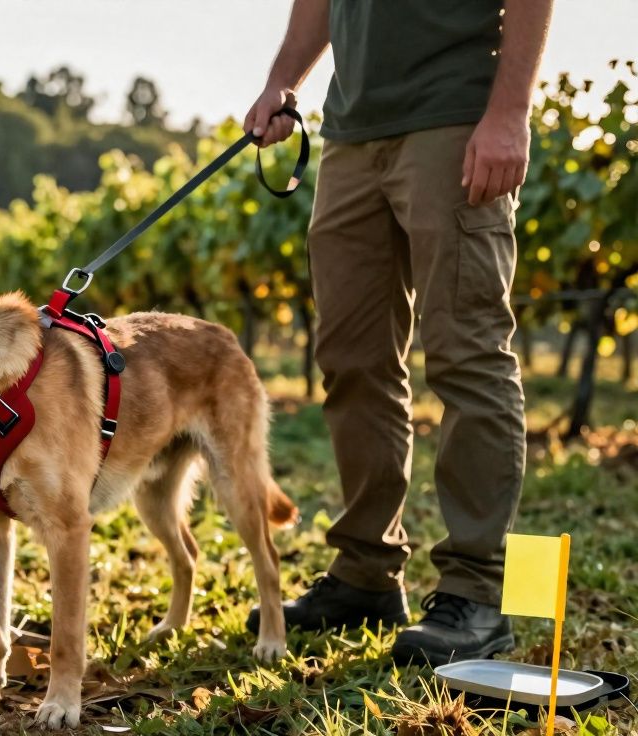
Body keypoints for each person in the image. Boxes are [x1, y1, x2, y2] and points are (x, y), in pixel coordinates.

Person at [243, 0, 553, 665]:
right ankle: (365, 574)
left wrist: (509, 112)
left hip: (455, 117)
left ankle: (479, 592)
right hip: (352, 130)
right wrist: (282, 79)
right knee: (352, 359)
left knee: (467, 354)